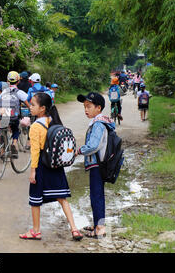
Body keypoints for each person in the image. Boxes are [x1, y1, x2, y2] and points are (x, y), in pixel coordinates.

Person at [19, 92, 83, 241]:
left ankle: (35, 231)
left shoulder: (36, 126)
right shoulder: (53, 120)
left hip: (42, 164)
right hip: (56, 165)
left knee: (35, 199)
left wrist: (33, 171)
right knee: (62, 197)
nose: (31, 107)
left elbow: (35, 151)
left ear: (42, 108)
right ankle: (74, 229)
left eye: (33, 105)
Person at [75, 92, 115, 239]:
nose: (86, 110)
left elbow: (93, 146)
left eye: (89, 106)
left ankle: (100, 228)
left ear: (98, 108)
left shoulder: (98, 124)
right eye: (85, 107)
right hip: (99, 164)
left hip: (97, 165)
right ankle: (98, 223)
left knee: (96, 195)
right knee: (97, 195)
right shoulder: (100, 121)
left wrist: (79, 151)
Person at [0, 71, 31, 158]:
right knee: (16, 129)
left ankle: (2, 152)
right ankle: (14, 143)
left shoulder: (3, 92)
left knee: (3, 130)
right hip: (13, 116)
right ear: (18, 81)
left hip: (3, 115)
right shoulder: (19, 92)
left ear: (7, 81)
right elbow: (28, 103)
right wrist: (31, 109)